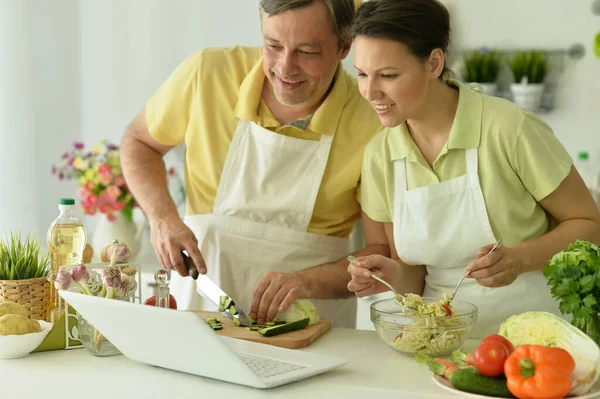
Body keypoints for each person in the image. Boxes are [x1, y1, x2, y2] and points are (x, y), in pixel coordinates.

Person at [120, 0, 386, 328]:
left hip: (311, 329)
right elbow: (140, 143)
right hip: (197, 312)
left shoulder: (374, 121)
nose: (285, 68)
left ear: (344, 47)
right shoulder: (209, 73)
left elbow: (381, 253)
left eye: (307, 52)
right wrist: (161, 219)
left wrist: (308, 282)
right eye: (273, 45)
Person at [346, 0, 600, 337]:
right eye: (362, 74)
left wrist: (520, 258)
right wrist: (388, 274)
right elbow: (414, 275)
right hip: (440, 342)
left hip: (536, 339)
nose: (369, 91)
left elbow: (590, 226)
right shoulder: (381, 154)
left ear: (434, 63)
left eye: (388, 75)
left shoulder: (509, 129)